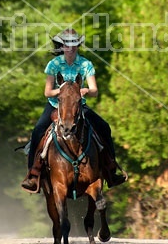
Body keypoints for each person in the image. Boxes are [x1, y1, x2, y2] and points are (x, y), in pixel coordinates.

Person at [21, 28, 127, 192]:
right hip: (56, 105)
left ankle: (111, 170)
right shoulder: (54, 64)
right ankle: (32, 175)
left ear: (78, 46)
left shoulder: (86, 64)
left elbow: (94, 90)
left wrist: (83, 91)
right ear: (62, 46)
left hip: (78, 106)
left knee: (104, 127)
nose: (71, 48)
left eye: (74, 44)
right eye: (68, 44)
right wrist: (65, 92)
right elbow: (47, 92)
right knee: (37, 131)